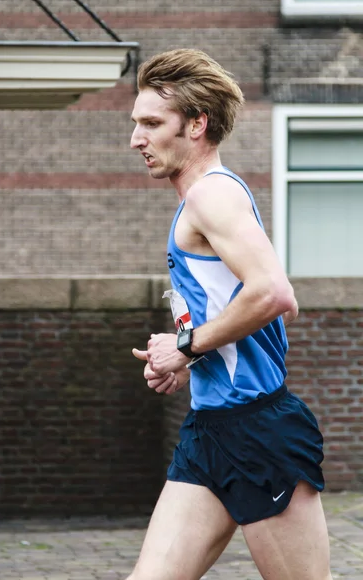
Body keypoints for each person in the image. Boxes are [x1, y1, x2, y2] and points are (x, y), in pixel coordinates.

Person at [129, 48, 332, 580]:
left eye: (152, 123)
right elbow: (233, 303)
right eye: (136, 124)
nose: (136, 139)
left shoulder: (211, 197)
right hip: (210, 431)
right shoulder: (202, 199)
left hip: (258, 432)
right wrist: (184, 353)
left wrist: (188, 347)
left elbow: (273, 293)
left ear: (196, 125)